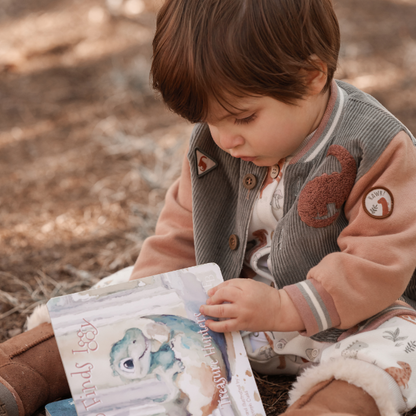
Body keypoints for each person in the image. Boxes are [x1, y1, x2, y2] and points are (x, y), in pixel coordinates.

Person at [1, 0, 416, 415]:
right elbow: (181, 233)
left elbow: (378, 260)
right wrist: (141, 305)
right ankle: (22, 373)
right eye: (209, 121)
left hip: (337, 322)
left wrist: (283, 308)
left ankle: (328, 407)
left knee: (402, 342)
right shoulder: (215, 144)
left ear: (311, 78)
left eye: (243, 117)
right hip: (221, 315)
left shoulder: (375, 146)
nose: (224, 139)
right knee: (120, 292)